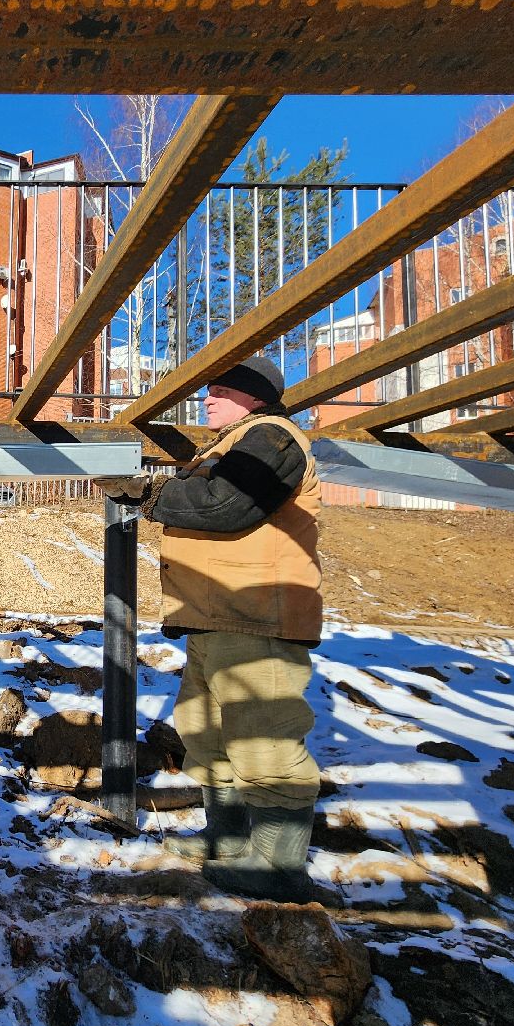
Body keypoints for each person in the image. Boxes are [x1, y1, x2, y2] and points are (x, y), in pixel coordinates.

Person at [112, 353, 322, 902]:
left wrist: (150, 494)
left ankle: (278, 865)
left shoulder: (272, 437)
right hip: (218, 618)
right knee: (205, 730)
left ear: (253, 396)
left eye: (221, 388)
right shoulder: (231, 443)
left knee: (264, 732)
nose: (205, 397)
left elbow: (229, 503)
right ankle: (228, 840)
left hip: (257, 617)